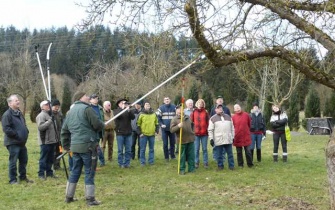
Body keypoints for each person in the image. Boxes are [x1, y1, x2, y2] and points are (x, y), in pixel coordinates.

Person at [61, 91, 104, 205]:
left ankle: (69, 197)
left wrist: (66, 146)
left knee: (75, 171)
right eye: (86, 96)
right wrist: (102, 125)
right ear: (80, 98)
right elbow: (97, 125)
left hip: (75, 147)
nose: (88, 97)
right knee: (90, 172)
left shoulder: (70, 112)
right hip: (88, 146)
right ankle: (90, 199)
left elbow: (64, 131)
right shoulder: (87, 109)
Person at [1, 94, 33, 184]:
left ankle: (23, 177)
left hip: (22, 142)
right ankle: (13, 180)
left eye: (18, 100)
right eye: (16, 100)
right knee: (13, 161)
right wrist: (17, 135)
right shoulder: (7, 115)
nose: (18, 101)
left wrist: (26, 131)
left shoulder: (19, 113)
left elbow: (23, 124)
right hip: (13, 142)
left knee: (24, 160)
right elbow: (6, 129)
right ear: (10, 104)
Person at [208, 104, 235, 170]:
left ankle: (231, 166)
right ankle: (220, 166)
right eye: (218, 108)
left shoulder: (228, 117)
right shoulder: (212, 118)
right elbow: (210, 130)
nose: (220, 109)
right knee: (219, 154)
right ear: (215, 110)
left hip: (228, 139)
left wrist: (233, 136)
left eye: (221, 107)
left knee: (230, 154)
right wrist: (211, 139)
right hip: (218, 139)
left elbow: (232, 128)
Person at [36, 100, 58, 180]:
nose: (48, 106)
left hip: (52, 141)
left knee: (50, 158)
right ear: (42, 107)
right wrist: (49, 121)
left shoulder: (49, 115)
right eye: (46, 105)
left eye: (48, 104)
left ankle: (49, 173)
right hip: (45, 141)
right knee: (43, 158)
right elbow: (41, 127)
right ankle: (41, 174)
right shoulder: (41, 116)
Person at [170, 105, 195, 175]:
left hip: (190, 139)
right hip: (181, 140)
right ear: (176, 111)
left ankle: (191, 169)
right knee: (182, 156)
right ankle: (182, 169)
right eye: (179, 109)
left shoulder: (187, 117)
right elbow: (172, 130)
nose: (181, 110)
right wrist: (178, 126)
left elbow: (193, 125)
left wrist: (193, 132)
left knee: (191, 156)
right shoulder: (174, 119)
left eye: (182, 109)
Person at [113, 98, 135, 168]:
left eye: (125, 103)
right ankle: (120, 164)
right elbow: (118, 116)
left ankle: (127, 163)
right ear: (119, 104)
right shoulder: (116, 111)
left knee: (128, 150)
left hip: (128, 132)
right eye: (122, 103)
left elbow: (133, 117)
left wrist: (128, 110)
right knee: (120, 150)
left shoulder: (128, 110)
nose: (124, 104)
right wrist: (122, 109)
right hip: (120, 133)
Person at [137, 102, 159, 166]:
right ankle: (142, 162)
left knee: (151, 149)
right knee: (142, 149)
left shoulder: (154, 114)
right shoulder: (141, 114)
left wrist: (156, 131)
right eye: (146, 105)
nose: (148, 106)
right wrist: (140, 133)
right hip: (143, 135)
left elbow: (157, 123)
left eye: (149, 105)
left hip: (152, 134)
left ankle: (151, 161)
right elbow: (138, 124)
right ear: (144, 106)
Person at [232, 104, 253, 168]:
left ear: (240, 107)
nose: (237, 109)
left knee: (248, 151)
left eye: (238, 107)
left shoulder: (246, 115)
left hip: (246, 136)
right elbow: (232, 127)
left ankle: (250, 164)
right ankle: (240, 164)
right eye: (236, 108)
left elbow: (249, 124)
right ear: (234, 110)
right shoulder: (233, 117)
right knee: (239, 152)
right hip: (237, 137)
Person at [210, 95, 231, 161]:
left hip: (225, 130)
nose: (220, 100)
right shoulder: (213, 109)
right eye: (218, 99)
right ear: (216, 101)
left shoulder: (226, 109)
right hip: (216, 129)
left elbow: (230, 119)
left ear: (223, 101)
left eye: (221, 99)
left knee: (224, 145)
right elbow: (210, 119)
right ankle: (215, 157)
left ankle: (223, 157)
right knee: (216, 145)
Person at [190, 99, 209, 169]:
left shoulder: (206, 112)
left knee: (204, 149)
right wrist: (192, 131)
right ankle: (196, 162)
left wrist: (208, 130)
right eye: (199, 103)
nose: (200, 104)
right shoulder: (194, 112)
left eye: (202, 103)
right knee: (196, 149)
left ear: (203, 104)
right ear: (197, 104)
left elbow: (208, 122)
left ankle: (205, 163)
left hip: (204, 133)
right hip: (196, 133)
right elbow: (190, 122)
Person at [157, 96, 176, 162]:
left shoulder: (174, 107)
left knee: (172, 143)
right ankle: (166, 157)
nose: (167, 100)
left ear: (170, 100)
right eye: (165, 99)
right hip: (164, 129)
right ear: (164, 101)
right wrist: (161, 124)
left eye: (168, 99)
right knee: (165, 144)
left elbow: (177, 117)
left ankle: (173, 156)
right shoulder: (161, 108)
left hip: (172, 128)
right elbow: (158, 118)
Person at [89, 94, 105, 167]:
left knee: (96, 146)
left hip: (99, 130)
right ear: (90, 100)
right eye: (94, 98)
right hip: (91, 130)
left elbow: (102, 118)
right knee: (94, 147)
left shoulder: (100, 108)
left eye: (97, 98)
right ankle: (97, 161)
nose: (96, 100)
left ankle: (99, 160)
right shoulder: (88, 108)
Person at [51, 99, 64, 170]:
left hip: (60, 137)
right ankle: (53, 165)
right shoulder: (50, 114)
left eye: (58, 106)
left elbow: (63, 124)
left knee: (60, 151)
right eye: (55, 106)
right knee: (54, 152)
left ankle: (58, 165)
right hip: (53, 138)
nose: (57, 108)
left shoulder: (60, 114)